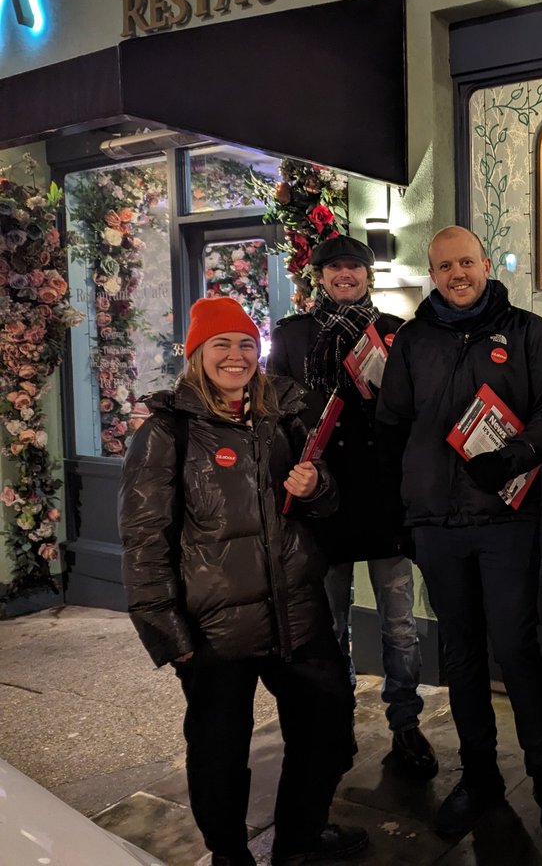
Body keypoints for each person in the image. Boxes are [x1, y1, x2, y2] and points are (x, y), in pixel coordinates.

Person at [119, 297, 366, 866]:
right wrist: (170, 636)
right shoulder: (167, 432)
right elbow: (144, 540)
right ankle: (230, 855)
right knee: (218, 753)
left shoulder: (285, 413)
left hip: (298, 614)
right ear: (198, 354)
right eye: (222, 345)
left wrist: (318, 488)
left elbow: (323, 502)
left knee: (325, 735)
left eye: (247, 344)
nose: (236, 356)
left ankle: (299, 843)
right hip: (215, 630)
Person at [375, 225, 542, 841]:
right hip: (435, 523)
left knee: (516, 648)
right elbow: (391, 429)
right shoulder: (411, 342)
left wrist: (514, 456)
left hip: (506, 519)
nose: (457, 274)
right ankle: (480, 774)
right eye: (444, 266)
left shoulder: (525, 331)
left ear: (486, 263)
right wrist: (402, 517)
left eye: (467, 262)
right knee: (459, 654)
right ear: (432, 273)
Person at [269, 234, 436, 780]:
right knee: (331, 623)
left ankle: (405, 723)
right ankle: (335, 721)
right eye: (335, 268)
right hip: (324, 497)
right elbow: (273, 410)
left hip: (384, 497)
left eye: (355, 268)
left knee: (399, 624)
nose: (345, 275)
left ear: (368, 274)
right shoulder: (294, 334)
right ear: (320, 275)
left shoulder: (393, 332)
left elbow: (413, 411)